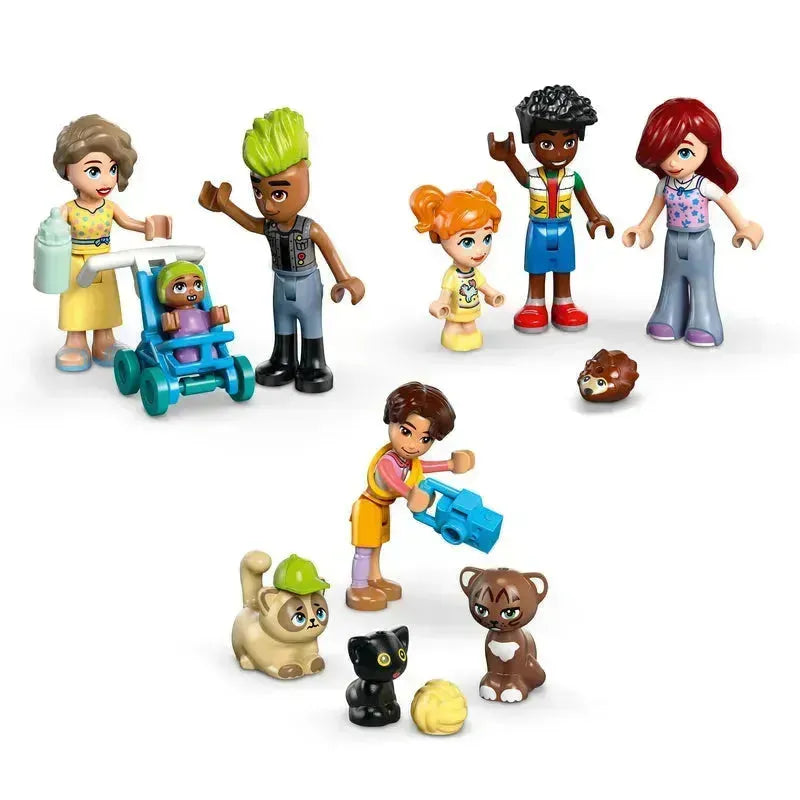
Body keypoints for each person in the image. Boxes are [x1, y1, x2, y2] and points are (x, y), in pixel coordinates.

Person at [198, 108, 364, 393]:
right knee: (282, 322)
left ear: (303, 182)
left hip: (307, 283)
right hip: (281, 281)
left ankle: (313, 363)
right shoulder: (270, 227)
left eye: (278, 194)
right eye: (258, 193)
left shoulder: (309, 228)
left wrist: (345, 279)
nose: (267, 205)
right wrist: (225, 206)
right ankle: (283, 359)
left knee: (311, 324)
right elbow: (250, 223)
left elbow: (329, 252)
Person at [622, 98, 763, 347]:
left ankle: (704, 322)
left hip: (699, 241)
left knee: (701, 283)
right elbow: (652, 213)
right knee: (671, 280)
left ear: (707, 148)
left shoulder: (704, 186)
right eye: (665, 153)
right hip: (673, 239)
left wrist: (743, 227)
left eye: (684, 152)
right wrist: (642, 229)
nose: (672, 162)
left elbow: (728, 205)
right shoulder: (663, 185)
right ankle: (668, 316)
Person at [49, 114, 171, 371]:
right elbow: (53, 230)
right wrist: (51, 235)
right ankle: (75, 342)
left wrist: (148, 226)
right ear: (68, 169)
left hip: (105, 262)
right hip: (76, 264)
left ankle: (104, 341)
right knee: (76, 302)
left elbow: (128, 222)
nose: (106, 180)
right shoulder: (69, 209)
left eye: (112, 169)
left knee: (105, 303)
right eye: (94, 171)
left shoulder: (109, 207)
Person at [488, 85, 613, 334]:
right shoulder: (534, 177)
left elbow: (584, 199)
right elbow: (522, 178)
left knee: (564, 266)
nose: (558, 152)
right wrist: (508, 158)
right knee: (537, 267)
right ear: (531, 142)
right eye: (547, 143)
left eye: (569, 142)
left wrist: (596, 218)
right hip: (538, 228)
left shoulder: (573, 178)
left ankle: (563, 303)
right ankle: (534, 304)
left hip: (564, 228)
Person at [347, 382, 475, 612]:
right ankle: (358, 586)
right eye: (406, 432)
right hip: (367, 507)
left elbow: (420, 466)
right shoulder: (387, 460)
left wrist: (450, 465)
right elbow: (391, 479)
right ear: (391, 421)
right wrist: (409, 494)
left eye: (425, 439)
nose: (414, 445)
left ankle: (373, 579)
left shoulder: (407, 460)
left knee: (377, 545)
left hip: (381, 507)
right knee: (364, 550)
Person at [410, 181, 504, 351]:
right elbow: (445, 294)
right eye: (467, 242)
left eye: (486, 238)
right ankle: (451, 336)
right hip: (454, 314)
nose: (480, 250)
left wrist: (493, 294)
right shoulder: (452, 275)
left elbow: (483, 286)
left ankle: (466, 336)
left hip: (471, 313)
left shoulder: (475, 273)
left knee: (471, 329)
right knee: (453, 330)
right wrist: (441, 305)